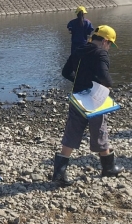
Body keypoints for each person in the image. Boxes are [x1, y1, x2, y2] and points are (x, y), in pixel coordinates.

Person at [53, 25, 124, 186]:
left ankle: (59, 173)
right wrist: (108, 86)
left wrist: (80, 82)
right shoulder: (101, 54)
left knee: (72, 131)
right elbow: (105, 77)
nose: (109, 48)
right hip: (94, 99)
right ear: (105, 41)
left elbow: (65, 72)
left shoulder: (79, 50)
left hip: (78, 97)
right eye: (110, 44)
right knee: (99, 130)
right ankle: (108, 168)